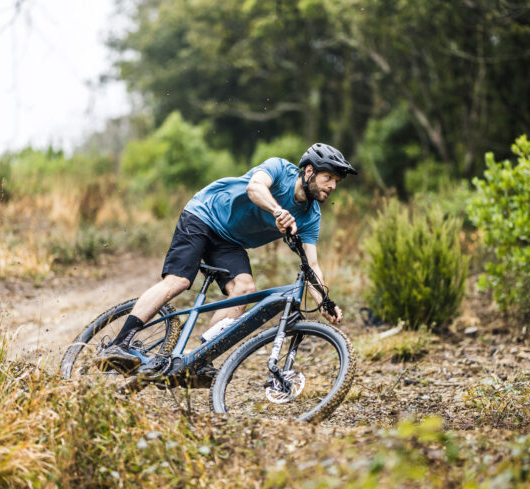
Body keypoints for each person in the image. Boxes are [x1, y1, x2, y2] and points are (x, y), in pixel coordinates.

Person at [96, 142, 357, 374]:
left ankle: (199, 361)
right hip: (204, 214)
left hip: (229, 241)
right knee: (179, 281)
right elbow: (255, 187)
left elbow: (312, 265)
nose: (333, 186)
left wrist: (324, 301)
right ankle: (118, 344)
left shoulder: (311, 216)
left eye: (336, 181)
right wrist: (279, 211)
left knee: (244, 289)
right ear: (309, 171)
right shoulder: (279, 169)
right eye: (328, 177)